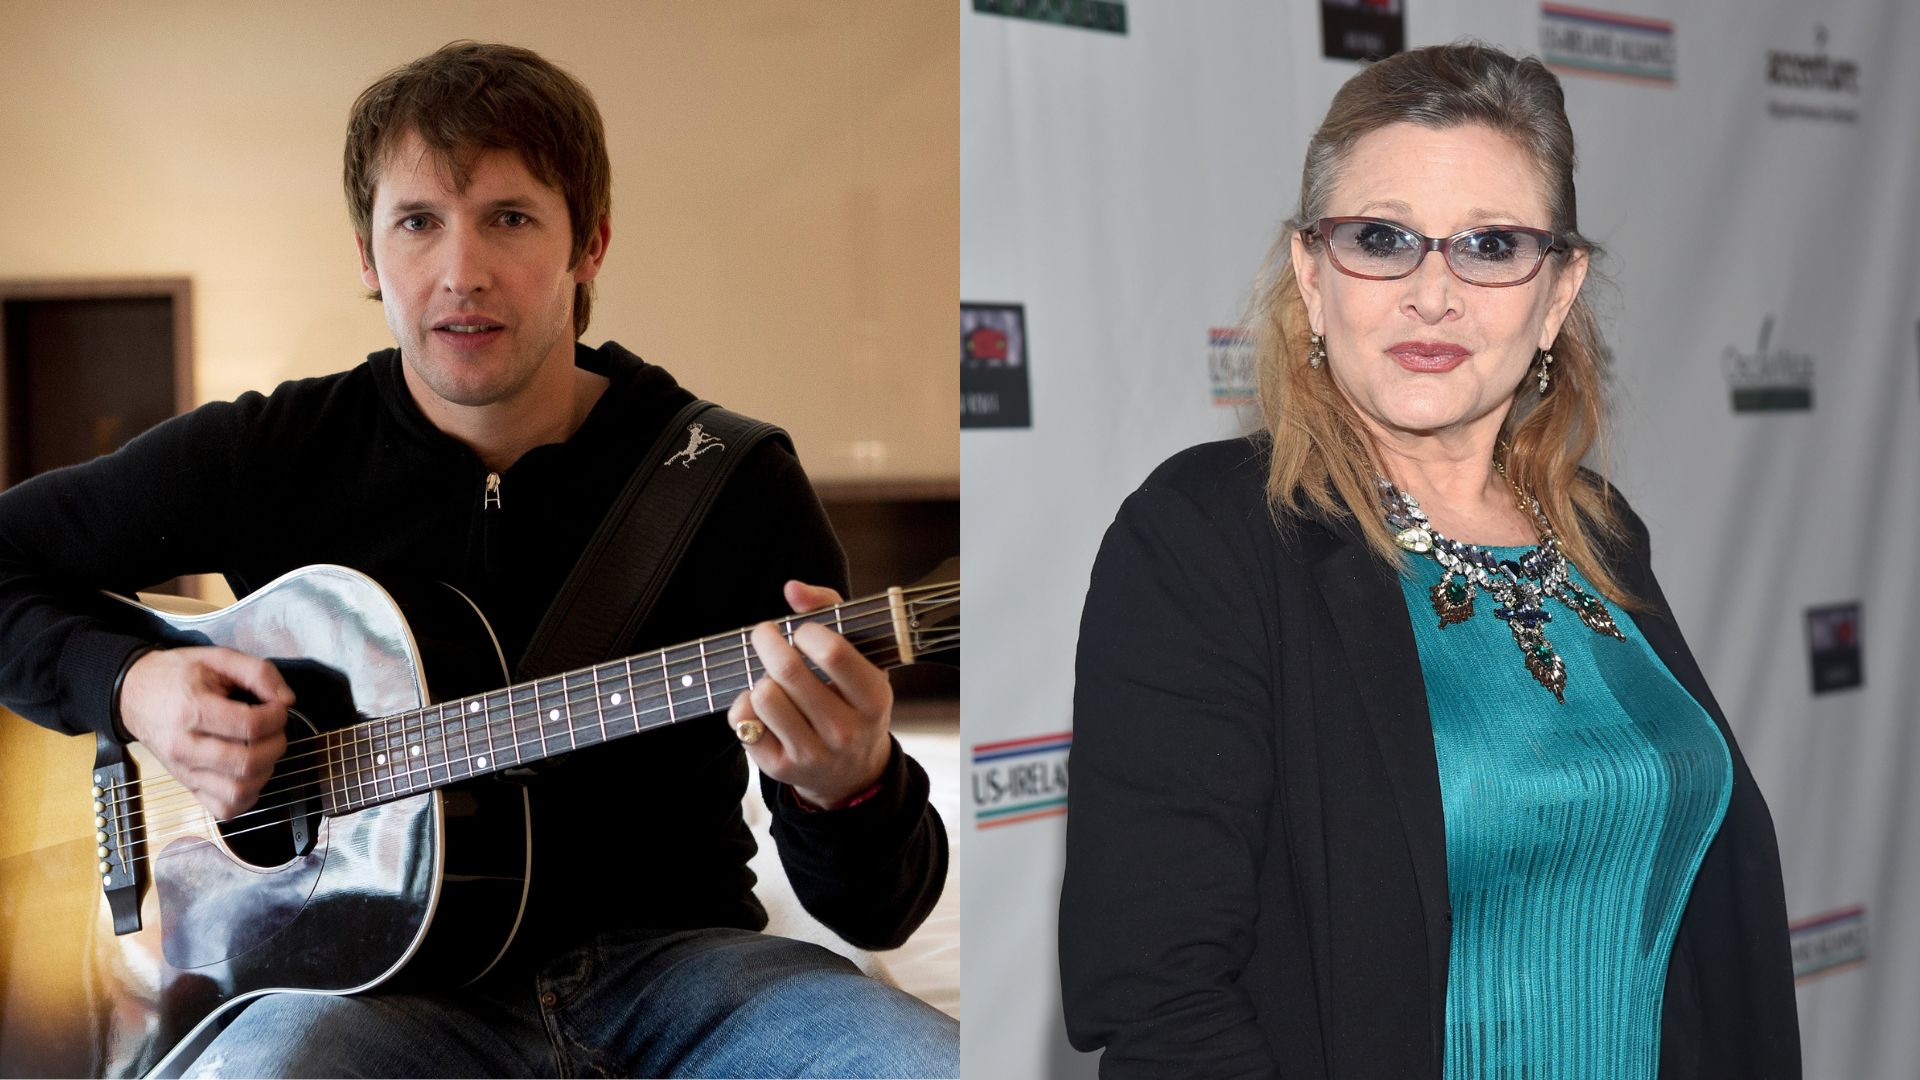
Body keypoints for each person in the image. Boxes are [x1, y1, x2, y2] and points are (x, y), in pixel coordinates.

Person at [0, 41, 957, 1079]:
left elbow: (879, 908)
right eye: (417, 222)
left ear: (587, 245)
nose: (462, 272)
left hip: (692, 979)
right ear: (367, 257)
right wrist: (132, 684)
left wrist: (851, 787)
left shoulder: (730, 479)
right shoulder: (270, 453)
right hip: (368, 1001)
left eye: (509, 217)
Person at [1059, 43, 1798, 1079]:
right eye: (1381, 239)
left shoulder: (1598, 528)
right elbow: (1162, 998)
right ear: (1313, 276)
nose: (1433, 294)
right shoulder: (1205, 538)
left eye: (1490, 245)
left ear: (1556, 291)